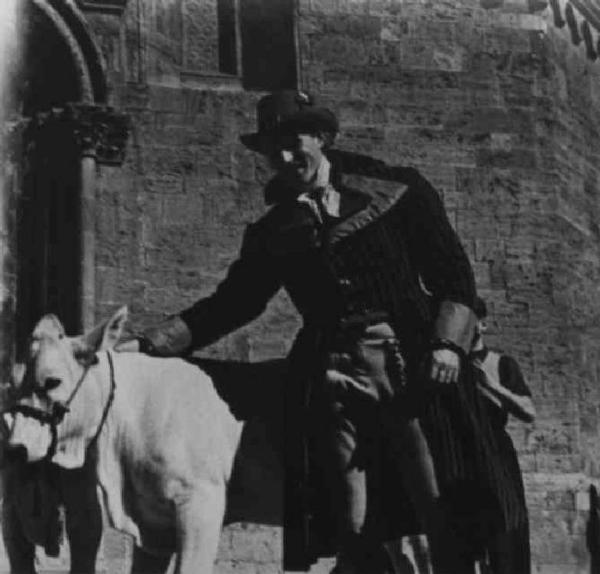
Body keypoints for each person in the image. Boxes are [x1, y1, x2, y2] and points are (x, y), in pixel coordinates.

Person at [117, 90, 479, 573]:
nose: (285, 158)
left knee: (437, 504)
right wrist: (147, 344)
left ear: (323, 138)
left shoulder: (398, 191)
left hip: (415, 366)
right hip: (331, 378)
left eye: (295, 142)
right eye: (273, 150)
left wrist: (448, 344)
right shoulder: (273, 231)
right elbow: (232, 305)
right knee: (350, 519)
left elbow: (453, 275)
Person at [468, 297, 535, 574]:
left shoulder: (501, 363)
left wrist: (492, 386)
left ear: (481, 324)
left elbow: (529, 412)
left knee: (505, 534)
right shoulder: (445, 363)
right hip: (459, 454)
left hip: (496, 455)